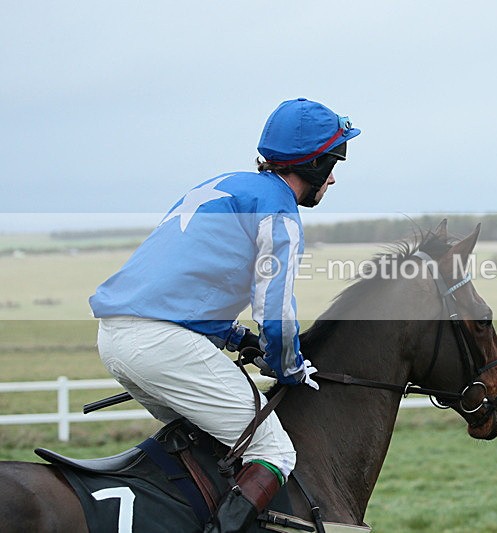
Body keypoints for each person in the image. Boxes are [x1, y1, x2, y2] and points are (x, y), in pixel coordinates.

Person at [89, 97, 360, 532]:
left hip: (115, 337)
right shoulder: (279, 210)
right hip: (163, 345)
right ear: (313, 165)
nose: (332, 178)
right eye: (333, 163)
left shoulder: (225, 185)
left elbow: (189, 282)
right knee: (274, 453)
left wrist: (235, 337)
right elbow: (275, 313)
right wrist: (289, 367)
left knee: (210, 446)